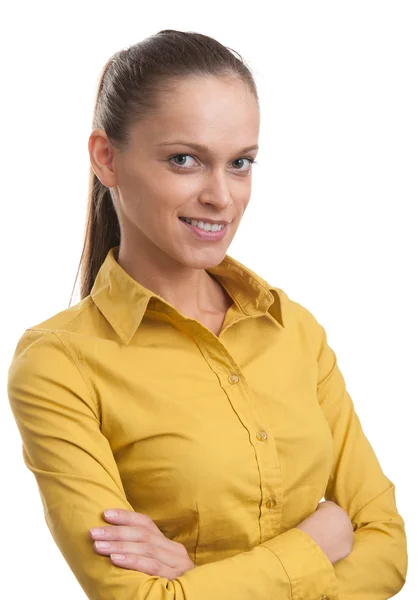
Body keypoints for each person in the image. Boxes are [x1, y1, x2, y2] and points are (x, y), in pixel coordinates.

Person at [7, 29, 407, 600]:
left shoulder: (293, 330)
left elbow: (388, 547)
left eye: (240, 163)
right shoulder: (58, 366)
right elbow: (137, 597)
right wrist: (321, 540)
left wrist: (194, 579)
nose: (222, 196)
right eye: (185, 160)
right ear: (107, 159)